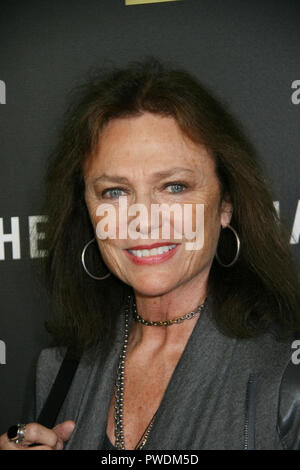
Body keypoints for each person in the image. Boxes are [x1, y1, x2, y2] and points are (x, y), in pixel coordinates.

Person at [1, 57, 299, 450]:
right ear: (87, 211)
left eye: (174, 186)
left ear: (225, 204)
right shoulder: (57, 372)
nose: (142, 221)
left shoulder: (286, 376)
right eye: (115, 192)